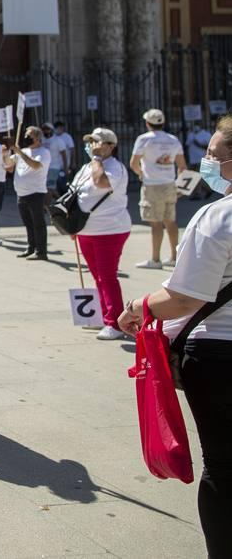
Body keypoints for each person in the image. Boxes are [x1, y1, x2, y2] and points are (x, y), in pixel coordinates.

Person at [118, 113, 232, 557]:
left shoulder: (217, 217)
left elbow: (184, 299)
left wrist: (137, 309)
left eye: (213, 155)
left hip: (221, 356)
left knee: (224, 465)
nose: (205, 161)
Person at [71, 127, 133, 341]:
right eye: (91, 142)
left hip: (110, 229)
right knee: (98, 277)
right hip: (87, 229)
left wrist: (97, 160)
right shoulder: (87, 166)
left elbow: (101, 183)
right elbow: (76, 192)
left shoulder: (115, 168)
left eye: (97, 142)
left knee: (107, 276)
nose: (93, 146)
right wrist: (73, 226)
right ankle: (103, 313)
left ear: (110, 146)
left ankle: (115, 322)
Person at [131, 108, 187, 269]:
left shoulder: (143, 139)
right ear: (163, 123)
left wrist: (141, 174)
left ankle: (155, 260)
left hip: (152, 186)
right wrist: (181, 186)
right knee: (170, 221)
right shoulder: (173, 140)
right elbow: (182, 166)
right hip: (170, 184)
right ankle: (175, 257)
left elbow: (133, 164)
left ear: (148, 124)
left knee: (155, 223)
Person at [8, 126, 51, 260]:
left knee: (38, 223)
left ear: (37, 138)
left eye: (30, 136)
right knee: (28, 223)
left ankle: (41, 251)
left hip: (35, 193)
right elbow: (8, 167)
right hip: (21, 193)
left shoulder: (43, 152)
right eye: (26, 135)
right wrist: (5, 153)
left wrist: (20, 153)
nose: (26, 138)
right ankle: (31, 247)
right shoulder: (23, 151)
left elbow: (36, 165)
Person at [188, 121, 214, 199]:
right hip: (192, 159)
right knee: (194, 176)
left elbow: (209, 148)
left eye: (197, 124)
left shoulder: (206, 134)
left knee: (199, 177)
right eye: (195, 124)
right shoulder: (191, 134)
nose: (196, 126)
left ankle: (198, 193)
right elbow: (187, 146)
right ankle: (204, 191)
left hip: (202, 158)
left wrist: (198, 144)